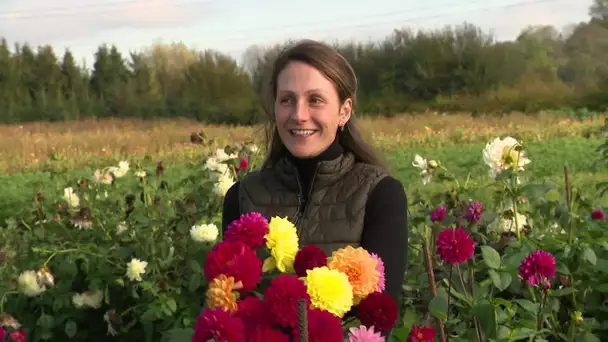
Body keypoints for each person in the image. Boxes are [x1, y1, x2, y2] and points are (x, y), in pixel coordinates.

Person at [221, 39, 408, 312]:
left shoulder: (380, 195)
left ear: (344, 111)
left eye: (315, 100)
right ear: (274, 107)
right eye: (287, 100)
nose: (299, 115)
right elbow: (233, 311)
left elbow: (377, 319)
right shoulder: (241, 197)